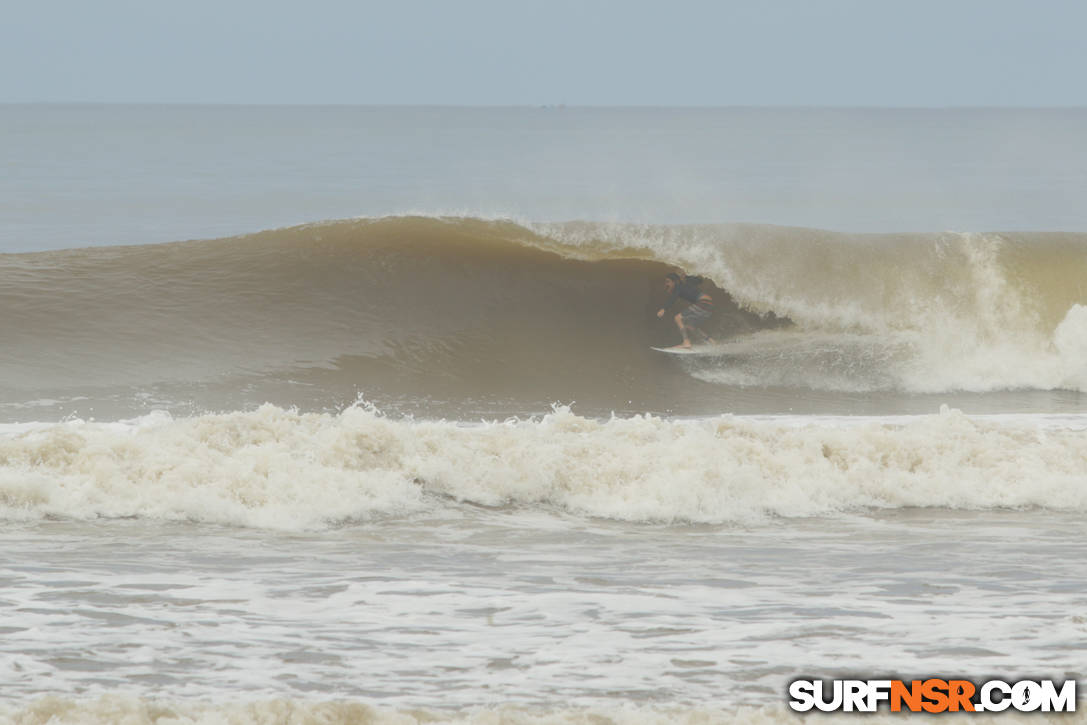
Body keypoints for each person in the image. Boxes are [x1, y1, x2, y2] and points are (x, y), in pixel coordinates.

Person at [657, 272, 714, 348]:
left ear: (674, 282)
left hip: (703, 302)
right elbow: (699, 280)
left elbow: (673, 298)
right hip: (709, 304)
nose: (667, 284)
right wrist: (687, 275)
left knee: (678, 318)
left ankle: (686, 342)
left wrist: (664, 309)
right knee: (690, 326)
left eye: (668, 282)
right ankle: (712, 341)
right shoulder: (686, 284)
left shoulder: (678, 287)